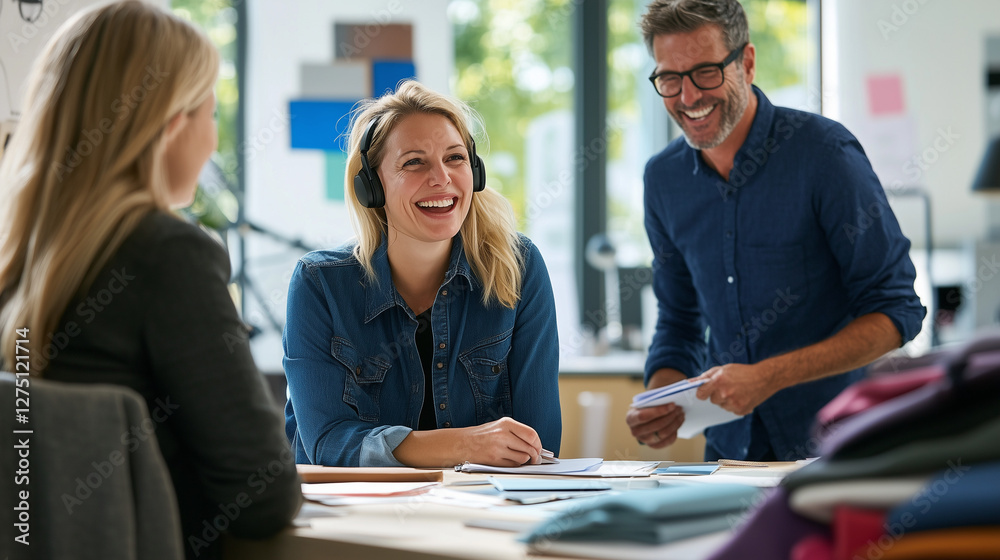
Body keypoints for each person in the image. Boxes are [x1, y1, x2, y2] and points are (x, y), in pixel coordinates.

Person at [0, 3, 300, 558]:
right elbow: (262, 497)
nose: (213, 142)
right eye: (210, 114)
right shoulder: (168, 255)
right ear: (170, 126)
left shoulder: (17, 266)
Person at [626, 0, 926, 461]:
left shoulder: (824, 154)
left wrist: (768, 376)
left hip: (841, 447)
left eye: (706, 72)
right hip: (730, 455)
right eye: (669, 78)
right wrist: (661, 397)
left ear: (746, 63)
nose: (687, 97)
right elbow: (679, 320)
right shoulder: (662, 180)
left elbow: (896, 310)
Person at [283, 80, 561, 468]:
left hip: (481, 512)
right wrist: (463, 445)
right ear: (371, 186)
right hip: (358, 518)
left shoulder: (518, 266)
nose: (442, 179)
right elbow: (327, 444)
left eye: (455, 158)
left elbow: (537, 443)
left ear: (475, 171)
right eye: (414, 162)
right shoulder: (319, 284)